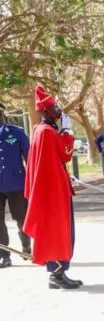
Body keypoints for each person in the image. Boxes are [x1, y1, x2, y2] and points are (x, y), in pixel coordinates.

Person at [23, 85, 81, 289]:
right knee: (58, 232)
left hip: (54, 189)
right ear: (45, 111)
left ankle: (59, 273)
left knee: (61, 231)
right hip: (53, 193)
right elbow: (65, 153)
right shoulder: (47, 132)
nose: (59, 110)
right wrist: (67, 132)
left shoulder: (43, 130)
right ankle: (56, 274)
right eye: (55, 107)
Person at [0, 102, 32, 268]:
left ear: (3, 115)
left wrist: (32, 181)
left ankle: (26, 245)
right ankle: (4, 255)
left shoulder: (17, 132)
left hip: (16, 182)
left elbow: (29, 157)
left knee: (21, 218)